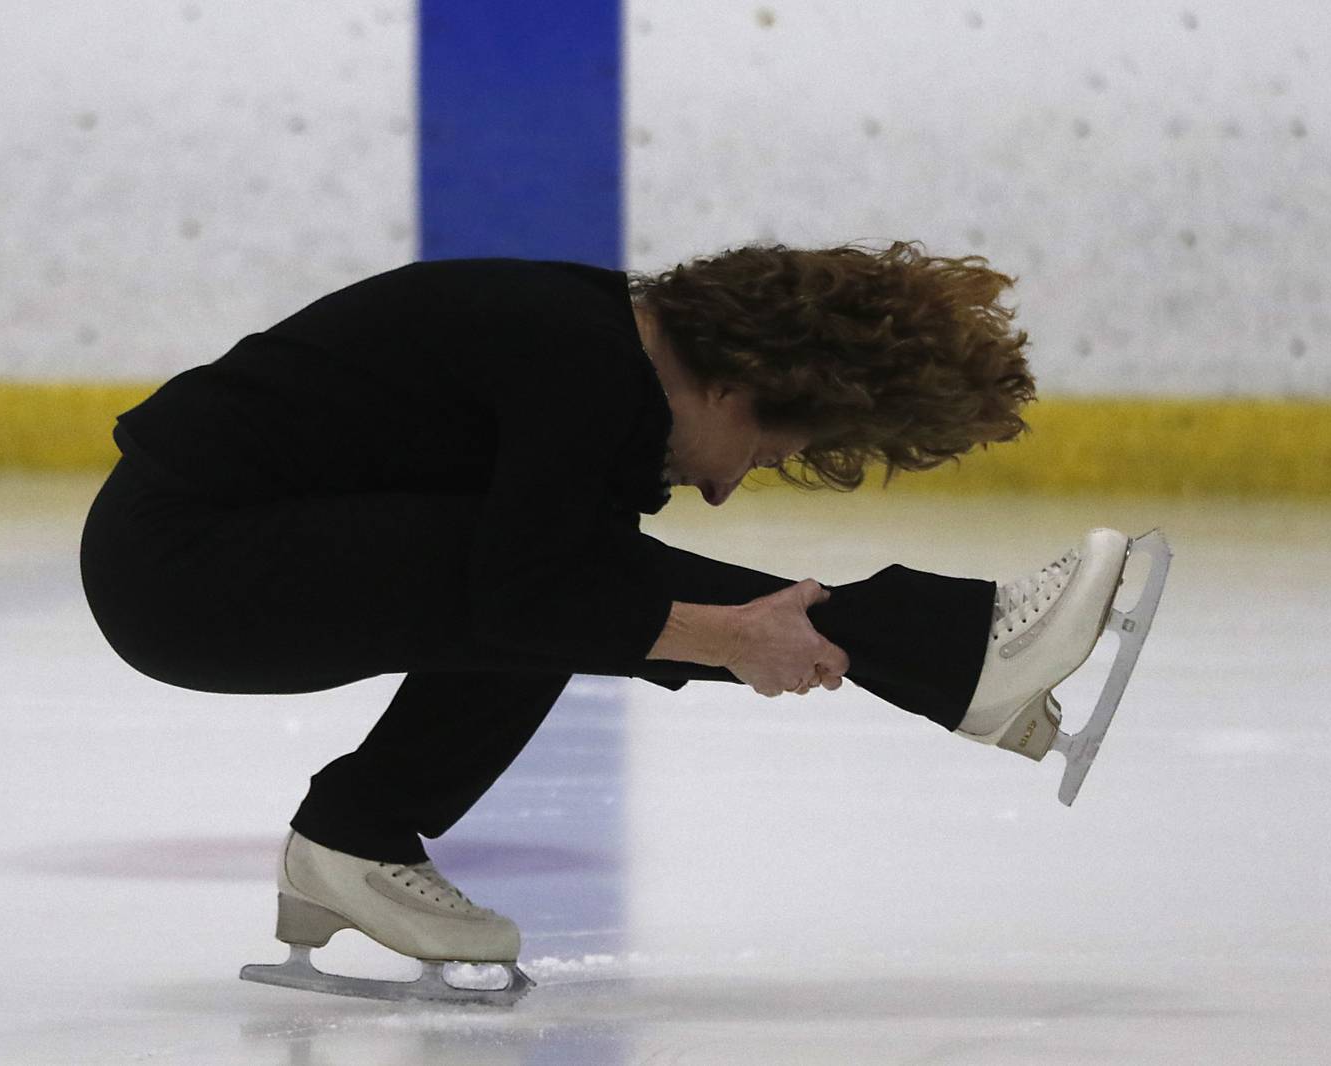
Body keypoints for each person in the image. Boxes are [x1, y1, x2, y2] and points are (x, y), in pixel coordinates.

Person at [78, 240, 1146, 1004]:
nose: (727, 490)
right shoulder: (582, 363)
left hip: (200, 558)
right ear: (740, 386)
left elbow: (556, 592)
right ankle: (963, 655)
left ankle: (353, 840)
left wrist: (755, 633)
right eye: (765, 457)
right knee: (545, 579)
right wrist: (735, 636)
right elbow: (536, 598)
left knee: (556, 568)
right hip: (178, 570)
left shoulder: (594, 345)